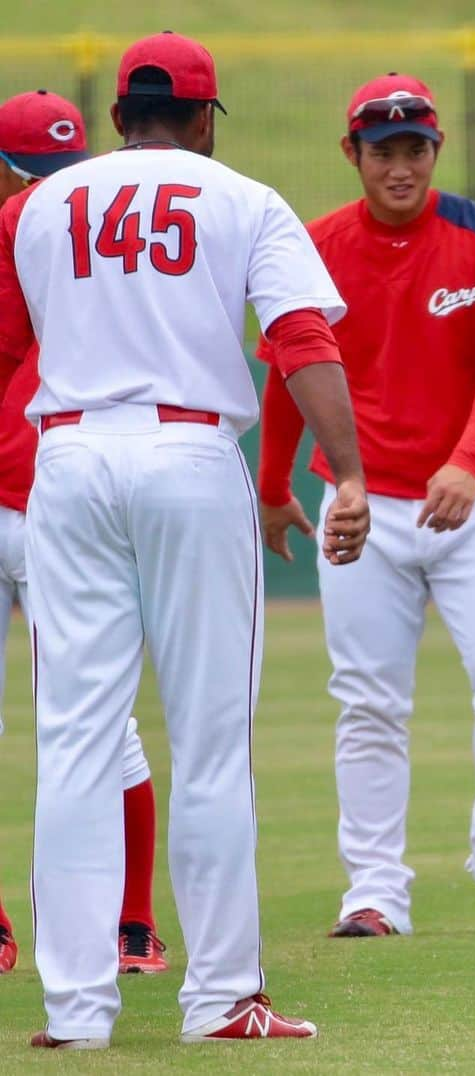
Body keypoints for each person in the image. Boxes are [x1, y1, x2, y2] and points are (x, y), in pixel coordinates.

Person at [0, 31, 369, 1048]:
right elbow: (300, 340)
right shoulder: (244, 197)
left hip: (68, 467)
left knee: (73, 741)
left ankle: (75, 1011)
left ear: (117, 117)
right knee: (210, 744)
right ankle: (219, 998)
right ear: (205, 118)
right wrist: (346, 473)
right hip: (190, 456)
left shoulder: (32, 207)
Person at [257, 73, 475, 939]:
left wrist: (470, 462)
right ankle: (374, 889)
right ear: (351, 153)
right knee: (368, 701)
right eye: (383, 150)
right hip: (361, 507)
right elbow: (290, 368)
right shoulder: (315, 245)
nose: (402, 165)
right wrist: (274, 486)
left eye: (416, 148)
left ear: (436, 149)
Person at [0, 89, 167, 978]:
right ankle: (133, 926)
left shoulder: (11, 227)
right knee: (106, 724)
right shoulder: (114, 237)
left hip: (44, 499)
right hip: (67, 501)